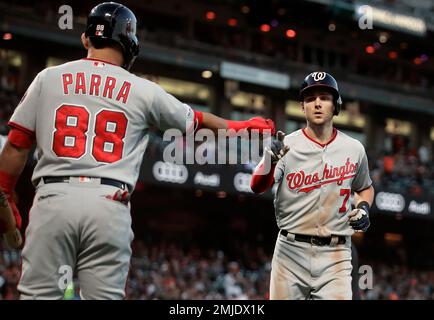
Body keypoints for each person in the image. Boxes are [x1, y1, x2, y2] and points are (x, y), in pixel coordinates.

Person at [0, 2, 275, 299]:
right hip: (109, 204)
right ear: (129, 43)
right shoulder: (143, 89)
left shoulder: (48, 78)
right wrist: (242, 126)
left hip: (53, 199)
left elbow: (17, 144)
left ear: (86, 38)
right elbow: (196, 123)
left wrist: (5, 192)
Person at [250, 71, 374, 300]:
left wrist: (364, 207)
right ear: (302, 106)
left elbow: (364, 187)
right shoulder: (286, 144)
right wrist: (269, 160)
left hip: (336, 254)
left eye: (324, 98)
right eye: (310, 98)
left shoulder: (354, 148)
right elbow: (256, 186)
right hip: (290, 251)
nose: (317, 103)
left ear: (336, 106)